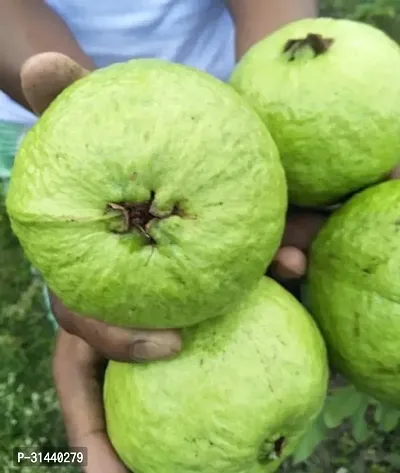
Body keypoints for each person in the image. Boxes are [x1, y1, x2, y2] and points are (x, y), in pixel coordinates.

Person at [5, 1, 397, 472]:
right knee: (98, 305)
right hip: (58, 139)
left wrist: (271, 102)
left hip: (223, 94)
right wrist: (88, 111)